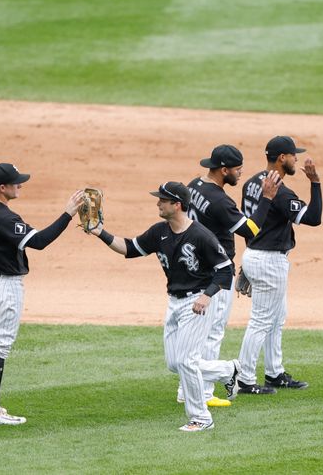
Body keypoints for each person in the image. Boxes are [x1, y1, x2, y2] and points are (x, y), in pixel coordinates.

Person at [89, 182, 240, 432]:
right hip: (174, 302)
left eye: (163, 200)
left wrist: (207, 295)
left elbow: (225, 270)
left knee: (187, 362)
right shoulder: (160, 232)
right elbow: (129, 248)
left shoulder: (201, 235)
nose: (158, 203)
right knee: (174, 363)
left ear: (177, 204)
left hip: (197, 303)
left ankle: (201, 418)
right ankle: (228, 370)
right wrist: (100, 232)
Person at [0, 163, 84, 425]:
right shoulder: (4, 217)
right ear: (3, 187)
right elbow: (39, 242)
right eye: (16, 182)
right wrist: (67, 214)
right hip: (2, 287)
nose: (20, 185)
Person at [178, 145, 280, 407]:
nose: (240, 173)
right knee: (212, 334)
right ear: (224, 170)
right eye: (237, 169)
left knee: (195, 335)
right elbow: (251, 229)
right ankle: (204, 393)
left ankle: (185, 388)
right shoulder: (219, 200)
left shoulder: (194, 186)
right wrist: (266, 198)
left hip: (194, 269)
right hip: (216, 272)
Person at [237, 136, 322, 394]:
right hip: (269, 260)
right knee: (262, 321)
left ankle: (274, 372)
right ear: (282, 158)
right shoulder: (282, 192)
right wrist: (315, 183)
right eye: (293, 155)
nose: (296, 159)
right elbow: (313, 218)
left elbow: (248, 224)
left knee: (276, 318)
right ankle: (245, 379)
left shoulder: (252, 182)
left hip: (256, 253)